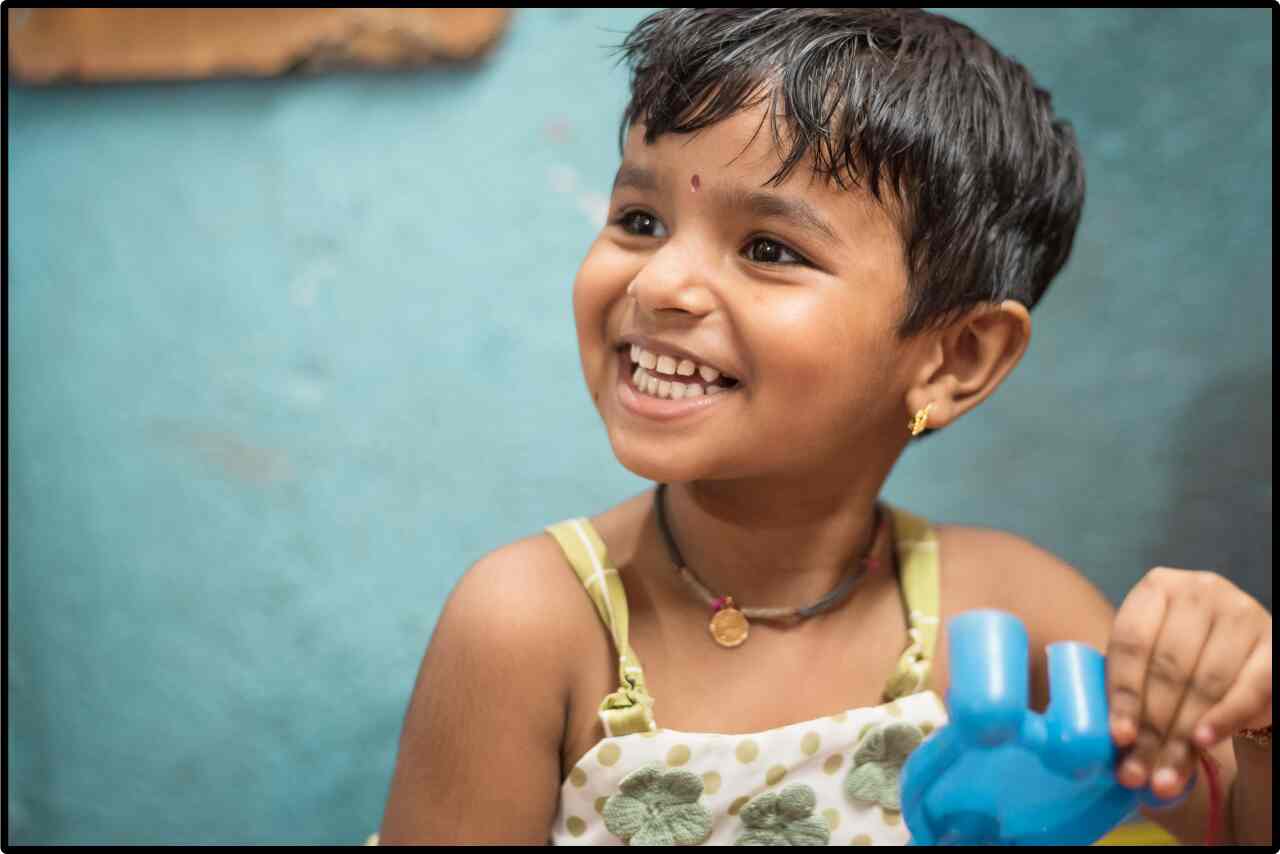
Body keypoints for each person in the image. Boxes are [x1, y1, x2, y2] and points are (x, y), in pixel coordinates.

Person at [376, 9, 1271, 845]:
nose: (657, 286)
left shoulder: (1008, 611)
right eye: (640, 221)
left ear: (957, 357)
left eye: (769, 248)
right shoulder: (530, 627)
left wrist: (1257, 709)